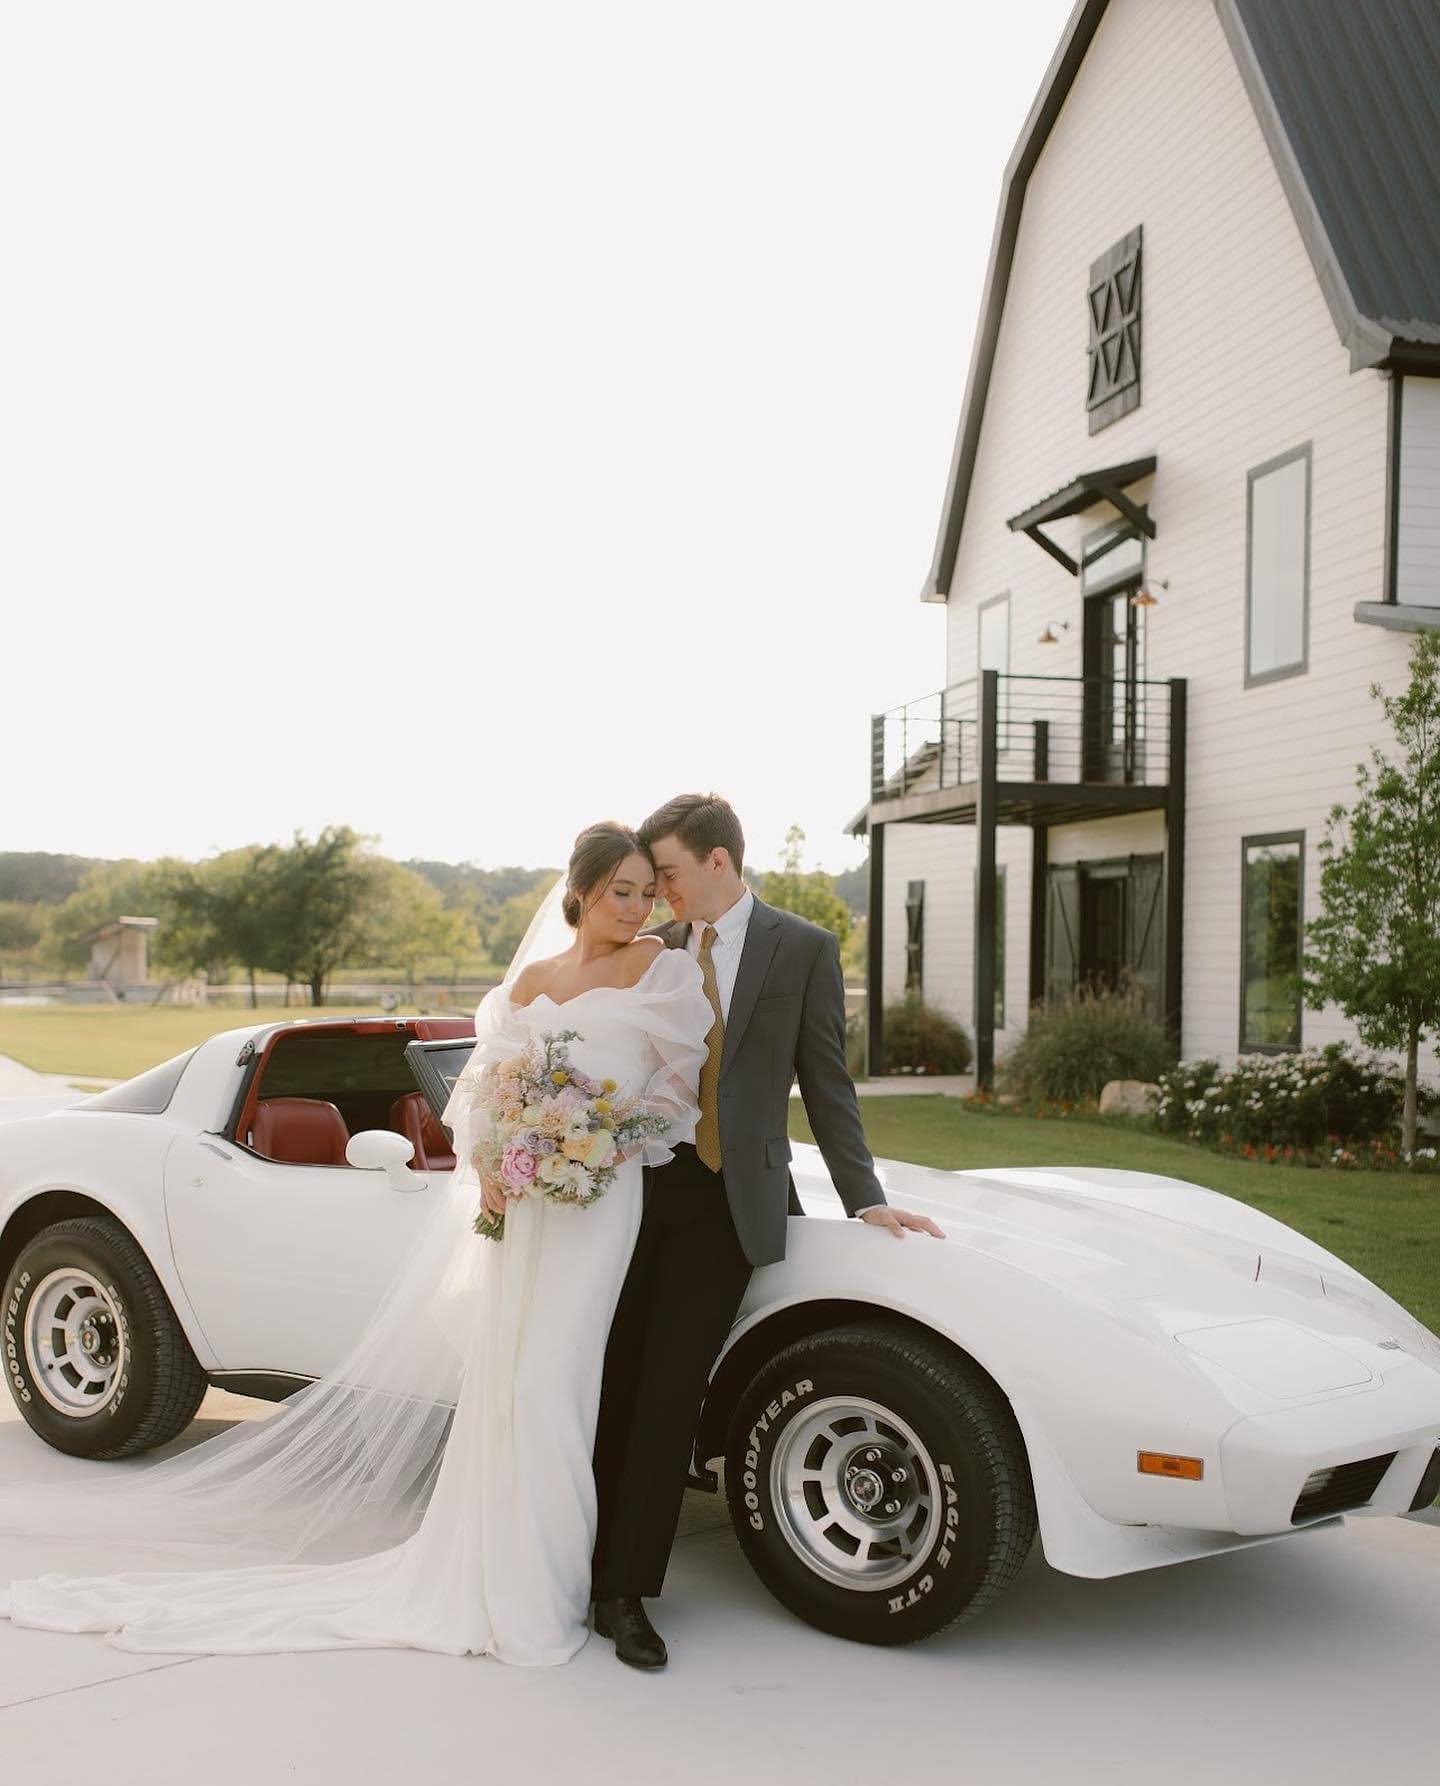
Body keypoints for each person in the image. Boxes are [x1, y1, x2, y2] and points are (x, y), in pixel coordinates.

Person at [0, 822, 714, 1665]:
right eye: (619, 891)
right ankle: (513, 1578)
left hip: (598, 1198)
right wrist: (493, 1160)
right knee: (512, 1380)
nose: (634, 908)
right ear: (582, 890)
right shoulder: (530, 982)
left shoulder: (661, 970)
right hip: (523, 1202)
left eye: (644, 891)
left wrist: (598, 1137)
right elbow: (486, 1088)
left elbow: (677, 1091)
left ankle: (554, 1581)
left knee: (561, 1380)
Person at [589, 793, 944, 1669]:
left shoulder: (805, 948)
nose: (655, 892)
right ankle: (583, 1567)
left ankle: (625, 1593)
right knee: (611, 1381)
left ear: (718, 862)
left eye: (666, 873)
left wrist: (866, 1197)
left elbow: (828, 1082)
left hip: (727, 1205)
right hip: (633, 1198)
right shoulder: (649, 951)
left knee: (671, 1394)